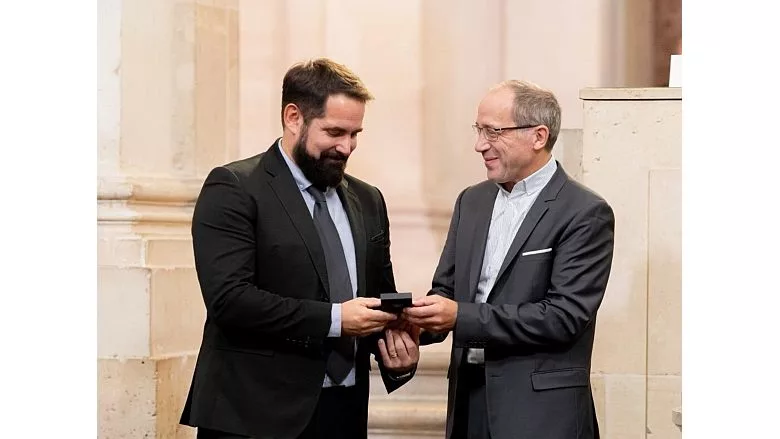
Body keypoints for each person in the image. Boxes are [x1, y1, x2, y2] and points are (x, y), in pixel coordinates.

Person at [180, 58, 420, 439]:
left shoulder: (368, 199)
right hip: (254, 416)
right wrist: (335, 320)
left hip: (344, 414)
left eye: (355, 134)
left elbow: (375, 302)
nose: (346, 147)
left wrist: (397, 355)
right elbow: (230, 300)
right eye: (335, 132)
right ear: (293, 118)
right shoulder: (234, 188)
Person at [404, 80, 615, 439]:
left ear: (538, 136)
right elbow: (447, 291)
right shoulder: (471, 201)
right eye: (478, 130)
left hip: (540, 414)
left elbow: (563, 317)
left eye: (493, 131)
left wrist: (459, 316)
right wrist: (417, 324)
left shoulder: (584, 212)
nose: (479, 144)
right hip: (469, 404)